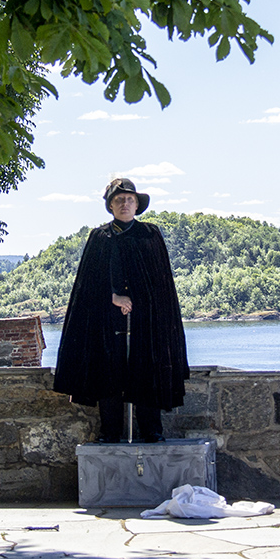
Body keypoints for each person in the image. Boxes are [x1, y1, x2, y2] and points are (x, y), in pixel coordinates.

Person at [54, 178, 188, 443]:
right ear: (110, 206)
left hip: (145, 319)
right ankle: (110, 432)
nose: (124, 204)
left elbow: (160, 283)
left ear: (137, 205)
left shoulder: (150, 235)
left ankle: (152, 430)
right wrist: (112, 297)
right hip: (106, 320)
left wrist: (138, 300)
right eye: (119, 200)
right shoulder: (100, 238)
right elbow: (87, 284)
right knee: (109, 374)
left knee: (147, 371)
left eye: (129, 199)